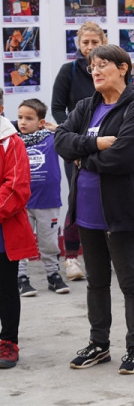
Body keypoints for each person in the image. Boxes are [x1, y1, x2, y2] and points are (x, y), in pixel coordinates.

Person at [54, 44, 134, 375]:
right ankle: (99, 344)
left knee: (129, 282)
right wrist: (94, 145)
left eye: (102, 65)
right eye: (91, 67)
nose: (95, 71)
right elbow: (61, 141)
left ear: (123, 68)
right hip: (86, 212)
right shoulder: (86, 105)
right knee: (96, 282)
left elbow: (124, 158)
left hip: (121, 210)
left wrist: (83, 157)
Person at [51, 21, 106, 281]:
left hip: (105, 145)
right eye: (86, 42)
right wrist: (72, 132)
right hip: (76, 146)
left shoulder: (111, 69)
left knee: (107, 195)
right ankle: (71, 258)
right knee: (77, 198)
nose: (90, 47)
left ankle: (106, 254)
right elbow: (57, 108)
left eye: (95, 42)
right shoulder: (68, 71)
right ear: (78, 44)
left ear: (103, 43)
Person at [0, 88, 38, 369]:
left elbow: (17, 188)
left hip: (3, 230)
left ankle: (8, 341)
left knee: (5, 288)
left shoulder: (10, 142)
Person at [16, 99, 69, 297]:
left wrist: (56, 128)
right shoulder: (14, 140)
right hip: (22, 204)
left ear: (41, 122)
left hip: (48, 202)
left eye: (29, 118)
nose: (23, 122)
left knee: (49, 242)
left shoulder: (52, 139)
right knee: (21, 242)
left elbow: (73, 135)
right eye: (20, 117)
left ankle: (53, 275)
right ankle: (20, 277)